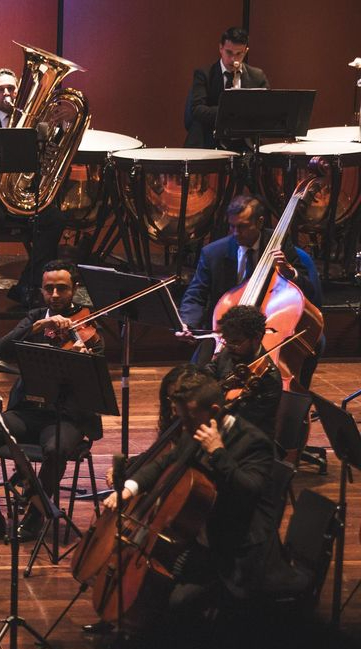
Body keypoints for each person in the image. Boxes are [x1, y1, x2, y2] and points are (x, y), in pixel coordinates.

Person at [0, 261, 103, 543]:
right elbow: (1, 350)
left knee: (56, 449)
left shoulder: (88, 326)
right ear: (41, 290)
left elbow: (96, 386)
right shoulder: (35, 317)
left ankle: (35, 513)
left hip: (66, 417)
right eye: (49, 288)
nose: (54, 295)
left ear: (74, 289)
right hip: (28, 413)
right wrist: (36, 327)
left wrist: (84, 361)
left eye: (62, 288)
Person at [109, 369, 277, 614]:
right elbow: (165, 463)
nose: (183, 426)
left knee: (177, 602)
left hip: (232, 549)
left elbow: (249, 491)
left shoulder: (253, 442)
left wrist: (218, 452)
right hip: (196, 537)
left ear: (214, 412)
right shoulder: (194, 429)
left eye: (187, 418)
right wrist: (128, 489)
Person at [177, 195, 322, 384]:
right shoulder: (213, 253)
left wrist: (290, 273)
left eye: (243, 226)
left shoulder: (279, 243)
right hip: (226, 331)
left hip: (268, 325)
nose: (236, 233)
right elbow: (196, 294)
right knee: (196, 381)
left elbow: (308, 290)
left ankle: (294, 394)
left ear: (259, 222)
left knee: (315, 342)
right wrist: (187, 324)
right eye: (232, 226)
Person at [0, 68, 64, 305]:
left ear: (19, 92)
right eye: (0, 90)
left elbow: (46, 161)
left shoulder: (39, 124)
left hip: (22, 193)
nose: (7, 93)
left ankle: (28, 284)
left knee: (54, 219)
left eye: (11, 88)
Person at [204, 305, 282, 439]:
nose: (229, 347)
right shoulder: (228, 352)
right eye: (226, 341)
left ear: (257, 337)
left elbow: (244, 422)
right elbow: (208, 372)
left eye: (236, 342)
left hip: (249, 441)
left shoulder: (269, 378)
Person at [184, 26, 269, 149]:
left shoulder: (257, 76)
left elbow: (265, 111)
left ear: (246, 51)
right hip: (210, 142)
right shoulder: (204, 74)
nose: (233, 59)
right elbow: (197, 110)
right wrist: (230, 111)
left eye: (239, 54)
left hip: (244, 145)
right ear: (220, 48)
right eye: (229, 52)